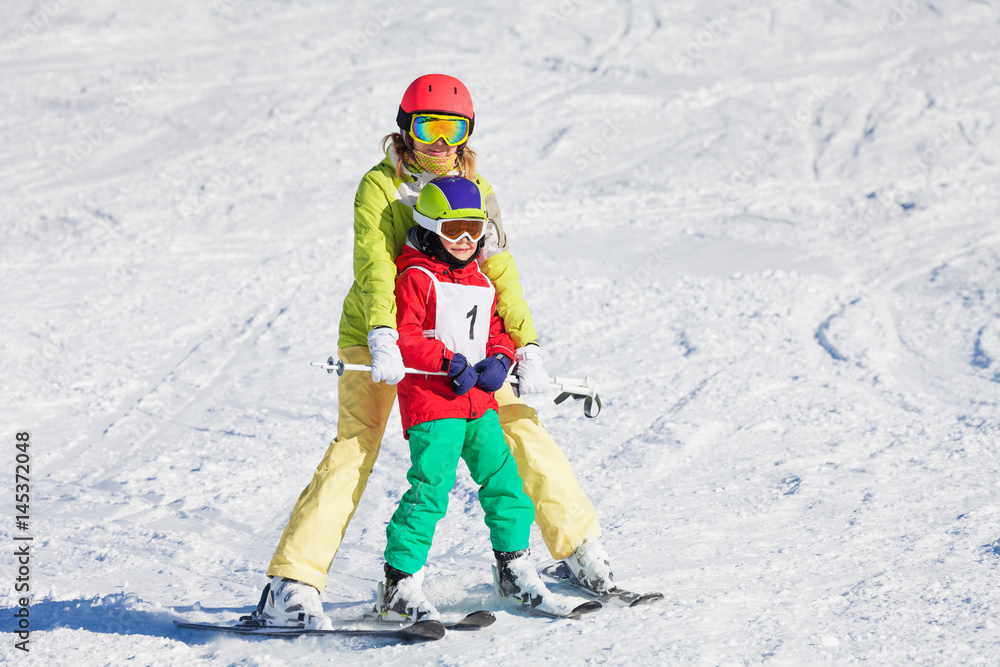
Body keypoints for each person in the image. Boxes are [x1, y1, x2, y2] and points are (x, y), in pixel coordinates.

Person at [260, 73, 612, 629]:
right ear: (405, 129)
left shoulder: (479, 189)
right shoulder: (379, 186)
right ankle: (291, 583)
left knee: (520, 423)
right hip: (382, 336)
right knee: (357, 444)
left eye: (453, 128)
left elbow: (500, 272)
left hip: (467, 344)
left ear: (467, 132)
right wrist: (381, 333)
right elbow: (375, 263)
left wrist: (527, 346)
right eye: (427, 127)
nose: (439, 142)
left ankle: (576, 550)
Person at [376, 176, 553, 621]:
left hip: (478, 402)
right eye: (454, 230)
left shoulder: (481, 280)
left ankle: (514, 567)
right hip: (434, 403)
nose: (466, 240)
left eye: (475, 229)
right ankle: (399, 583)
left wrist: (501, 356)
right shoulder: (415, 276)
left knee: (506, 483)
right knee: (431, 489)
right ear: (431, 227)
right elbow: (407, 336)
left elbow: (494, 328)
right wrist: (445, 360)